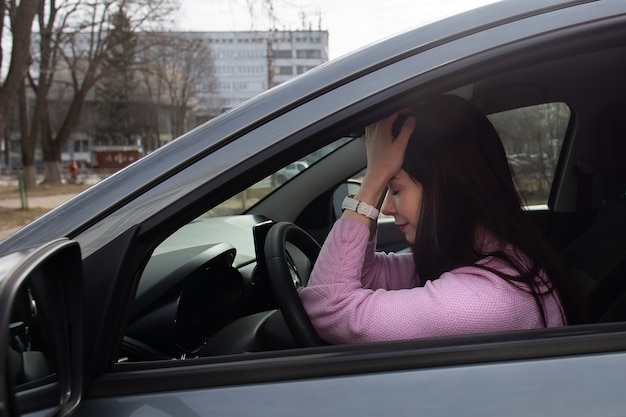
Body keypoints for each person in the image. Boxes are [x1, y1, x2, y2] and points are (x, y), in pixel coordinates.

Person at [299, 94, 585, 344]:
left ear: (446, 187)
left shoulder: (485, 300)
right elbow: (369, 277)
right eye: (386, 190)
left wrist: (373, 180)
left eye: (395, 189)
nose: (385, 207)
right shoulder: (488, 255)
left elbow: (329, 307)